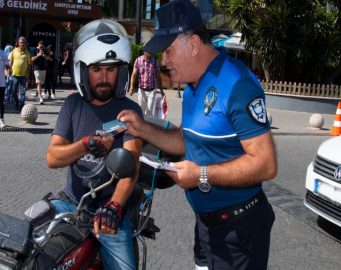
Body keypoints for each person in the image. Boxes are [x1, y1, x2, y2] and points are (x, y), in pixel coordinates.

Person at [118, 0, 277, 269]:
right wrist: (142, 128)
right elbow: (185, 139)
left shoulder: (238, 85)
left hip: (239, 233)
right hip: (205, 226)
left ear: (193, 45)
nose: (162, 61)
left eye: (168, 51)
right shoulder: (192, 85)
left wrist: (201, 175)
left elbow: (266, 163)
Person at [46, 19, 143, 270]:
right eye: (96, 69)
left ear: (121, 72)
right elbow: (52, 158)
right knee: (28, 243)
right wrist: (86, 145)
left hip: (109, 209)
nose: (103, 78)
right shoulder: (72, 104)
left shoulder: (131, 111)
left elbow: (131, 166)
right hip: (70, 201)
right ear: (83, 70)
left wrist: (114, 206)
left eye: (110, 70)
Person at [129, 51, 165, 116]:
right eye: (148, 50)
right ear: (144, 51)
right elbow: (134, 74)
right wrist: (131, 86)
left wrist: (162, 91)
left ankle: (147, 124)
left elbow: (158, 76)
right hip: (142, 90)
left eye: (150, 50)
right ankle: (142, 125)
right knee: (141, 111)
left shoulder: (155, 60)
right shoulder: (138, 60)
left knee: (149, 112)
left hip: (152, 90)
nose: (150, 51)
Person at [9, 36, 30, 112]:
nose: (22, 44)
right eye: (21, 42)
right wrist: (9, 70)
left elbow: (29, 64)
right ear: (18, 43)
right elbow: (11, 62)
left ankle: (20, 108)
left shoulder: (27, 52)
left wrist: (28, 72)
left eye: (24, 42)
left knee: (22, 93)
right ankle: (17, 102)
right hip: (15, 75)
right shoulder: (14, 51)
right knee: (14, 92)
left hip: (23, 76)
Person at [31, 40, 51, 104]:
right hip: (37, 68)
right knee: (39, 83)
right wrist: (38, 55)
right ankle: (40, 98)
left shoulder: (44, 50)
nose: (41, 48)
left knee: (41, 83)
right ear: (38, 44)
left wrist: (43, 55)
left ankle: (36, 95)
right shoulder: (34, 50)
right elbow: (32, 59)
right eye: (40, 47)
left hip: (43, 68)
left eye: (42, 47)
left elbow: (48, 58)